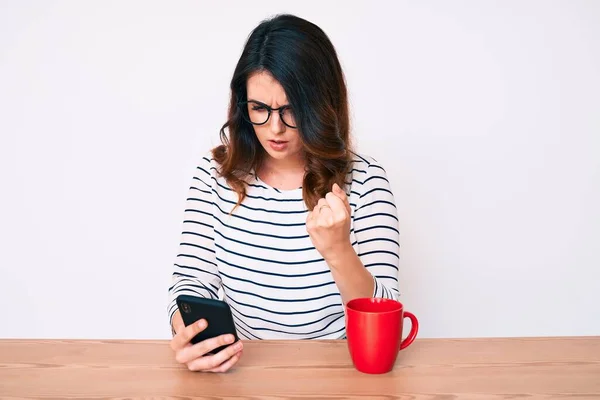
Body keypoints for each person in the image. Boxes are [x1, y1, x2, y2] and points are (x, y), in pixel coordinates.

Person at [168, 14, 400, 373]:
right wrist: (190, 335)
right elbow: (191, 281)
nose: (274, 128)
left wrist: (338, 249)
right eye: (259, 109)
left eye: (291, 109)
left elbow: (387, 327)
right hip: (240, 374)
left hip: (340, 379)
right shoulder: (214, 175)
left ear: (322, 105)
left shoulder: (366, 181)